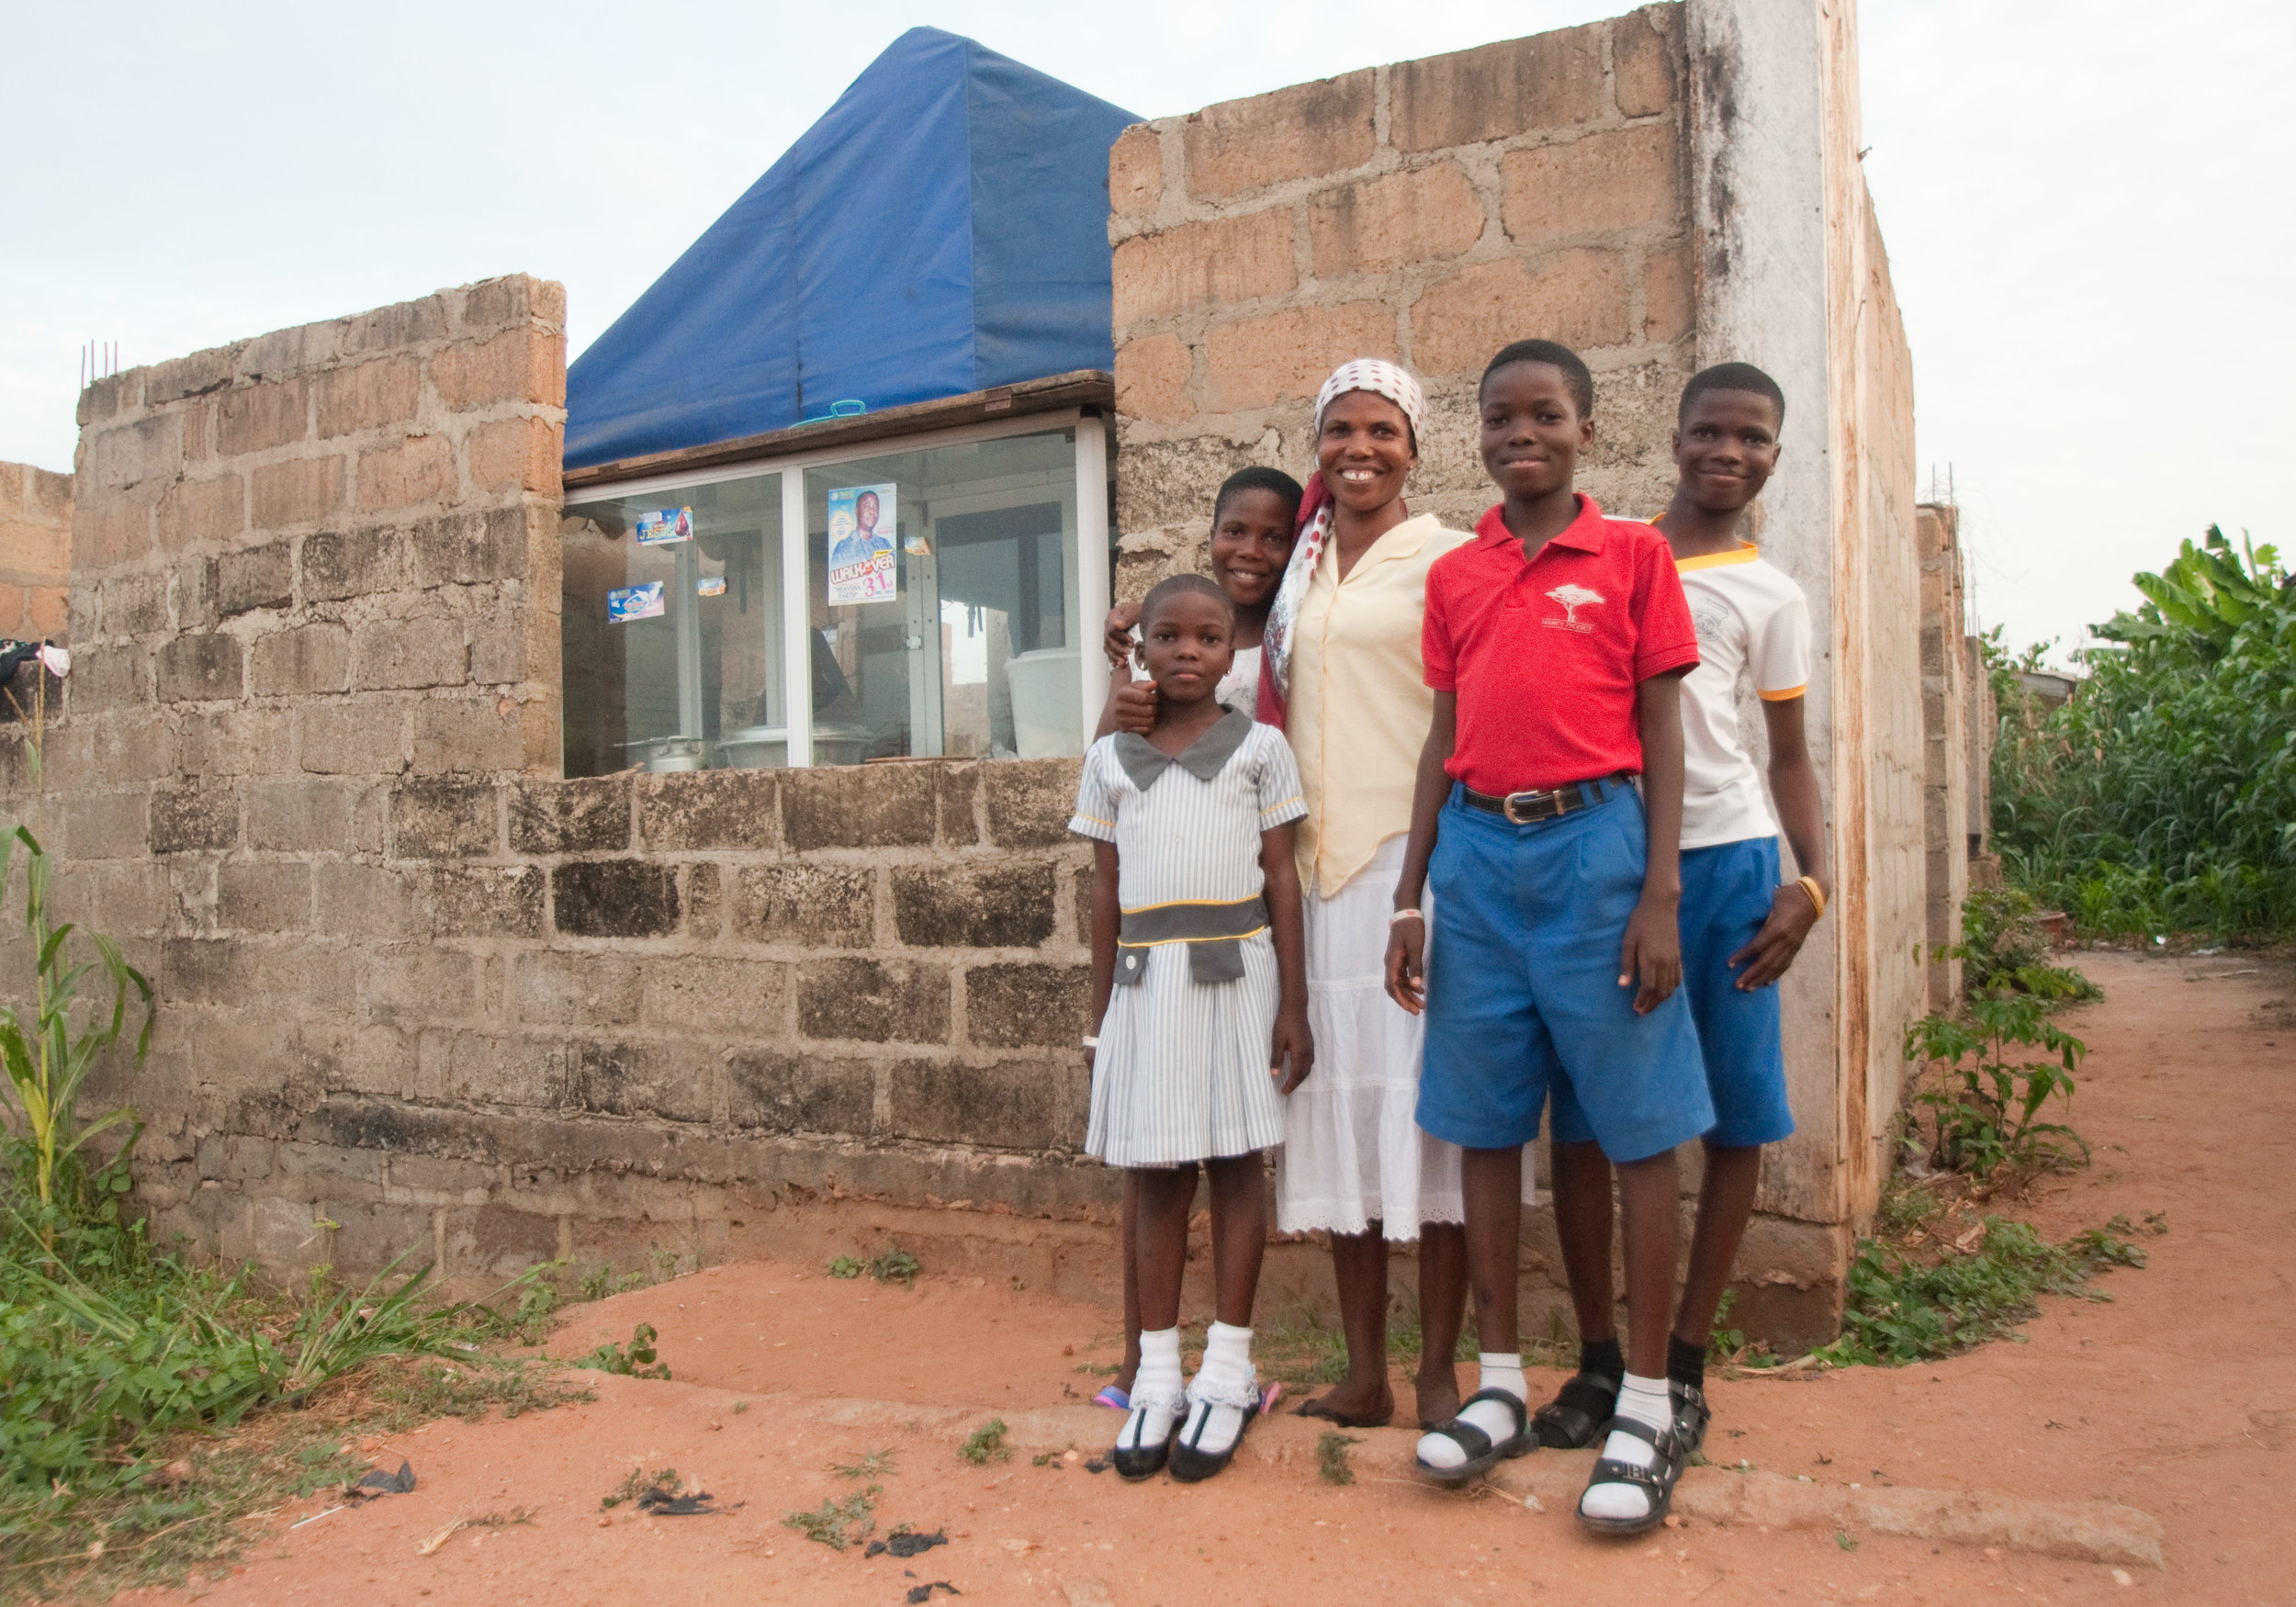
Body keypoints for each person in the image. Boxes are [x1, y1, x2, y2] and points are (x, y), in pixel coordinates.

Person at [1386, 339, 1713, 1534]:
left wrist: (1660, 892)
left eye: (1546, 414)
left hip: (1597, 853)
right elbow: (1443, 736)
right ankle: (1503, 1379)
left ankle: (1647, 1397)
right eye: (1500, 416)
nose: (1521, 432)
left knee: (1638, 1123)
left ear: (1585, 427)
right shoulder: (1458, 575)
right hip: (1475, 860)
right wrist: (1412, 890)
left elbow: (1662, 730)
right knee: (1481, 1118)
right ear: (1478, 432)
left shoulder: (1632, 555)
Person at [1540, 361, 1829, 1461]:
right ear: (1672, 437)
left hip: (1730, 866)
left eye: (1752, 438)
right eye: (1709, 430)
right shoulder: (1607, 551)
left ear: (1771, 456)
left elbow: (1788, 756)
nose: (1728, 452)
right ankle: (1602, 1356)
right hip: (1608, 864)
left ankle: (1689, 1359)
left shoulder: (1772, 594)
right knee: (1586, 1115)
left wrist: (1811, 884)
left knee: (1736, 1114)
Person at [1259, 359, 1500, 1433]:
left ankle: (1440, 1373)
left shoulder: (1448, 556)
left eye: (1382, 431)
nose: (1359, 449)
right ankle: (1365, 1373)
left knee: (1431, 1120)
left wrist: (1430, 876)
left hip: (1416, 872)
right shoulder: (1296, 575)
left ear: (1416, 445)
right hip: (1314, 873)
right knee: (1343, 1122)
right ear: (1318, 445)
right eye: (1340, 430)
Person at [1070, 574, 1313, 1483]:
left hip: (1236, 973)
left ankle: (1226, 1369)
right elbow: (1103, 890)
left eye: (1207, 638)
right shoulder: (1108, 759)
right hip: (1145, 986)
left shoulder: (1259, 747)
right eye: (1166, 636)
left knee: (1238, 1164)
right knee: (1157, 1174)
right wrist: (1100, 1022)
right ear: (1141, 649)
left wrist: (1293, 1002)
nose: (1185, 652)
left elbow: (1281, 876)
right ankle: (1159, 1376)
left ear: (1230, 653)